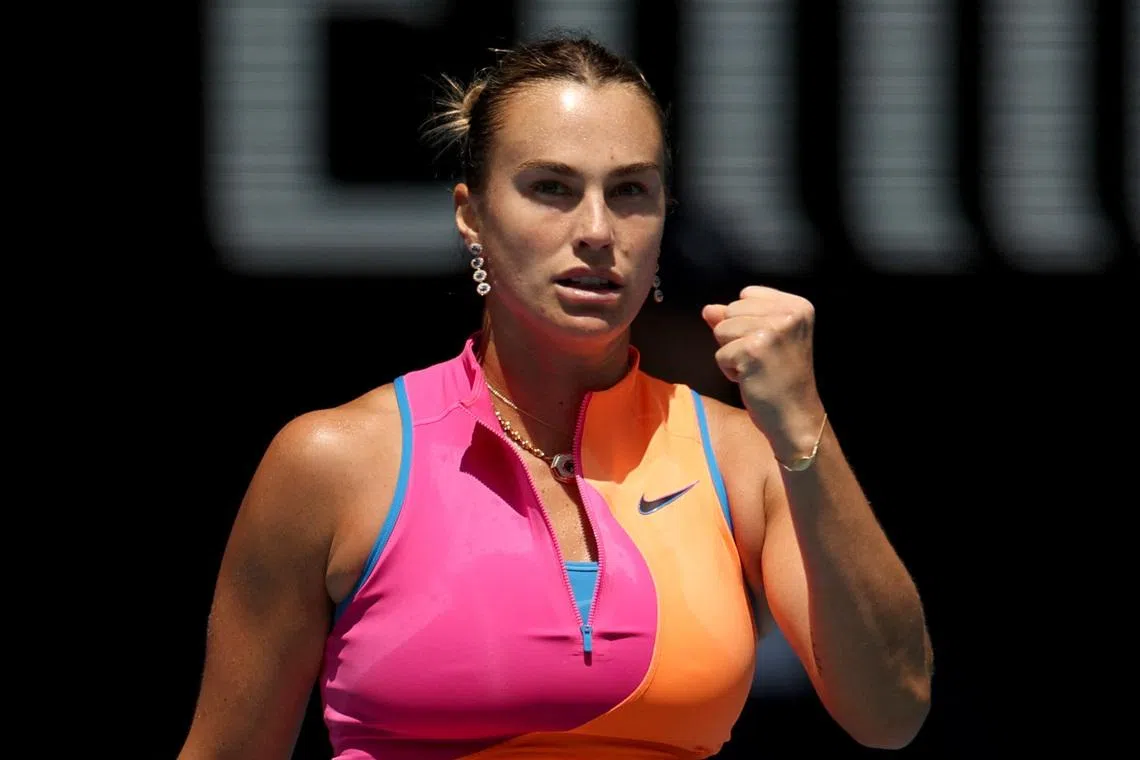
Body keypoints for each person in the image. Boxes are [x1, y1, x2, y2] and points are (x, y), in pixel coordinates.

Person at [178, 34, 933, 760]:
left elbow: (892, 712)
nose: (598, 230)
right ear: (471, 214)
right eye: (552, 188)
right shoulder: (332, 463)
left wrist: (803, 424)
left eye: (631, 191)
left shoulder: (744, 458)